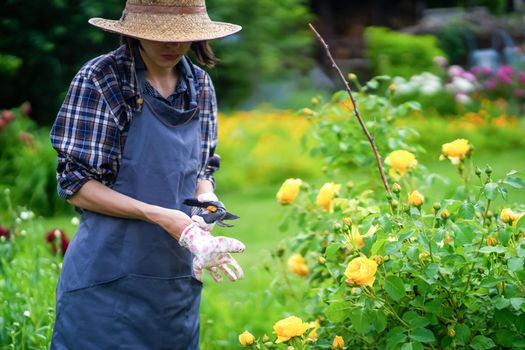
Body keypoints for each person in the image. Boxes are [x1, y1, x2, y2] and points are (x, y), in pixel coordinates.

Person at [49, 1, 245, 348]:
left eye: (182, 36)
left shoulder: (200, 85)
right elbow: (75, 184)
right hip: (107, 280)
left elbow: (201, 169)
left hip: (174, 281)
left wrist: (206, 203)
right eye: (159, 36)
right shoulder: (102, 79)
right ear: (133, 31)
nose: (171, 46)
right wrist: (158, 215)